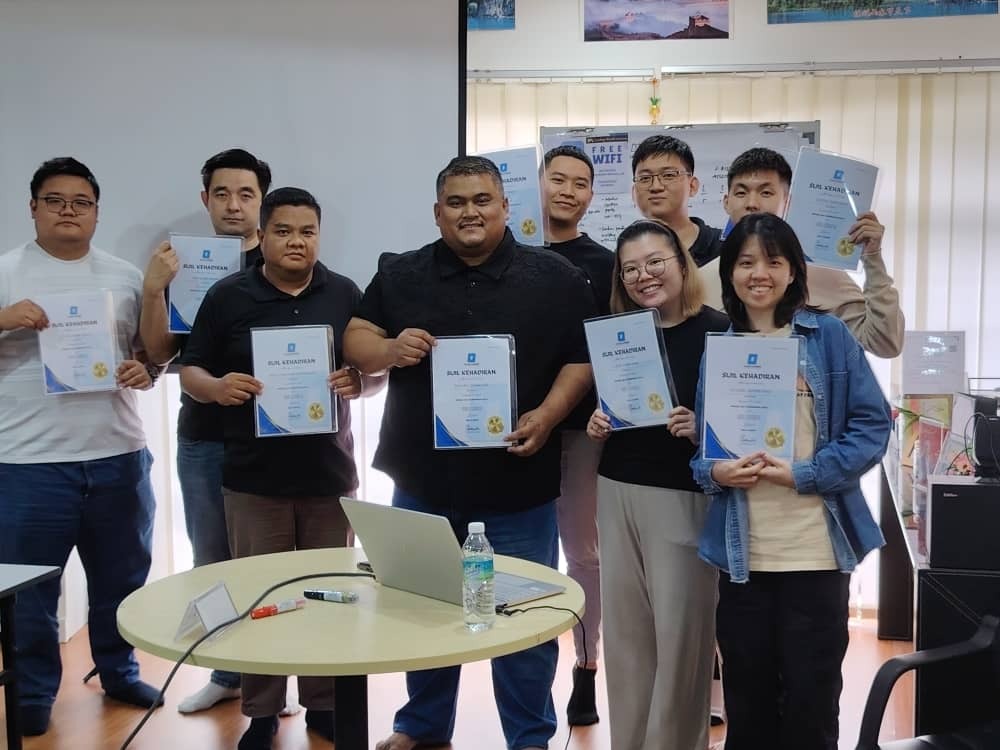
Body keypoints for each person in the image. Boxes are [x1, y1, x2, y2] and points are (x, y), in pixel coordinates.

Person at [343, 155, 597, 750]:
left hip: (519, 483)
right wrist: (389, 349)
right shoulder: (400, 273)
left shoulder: (555, 276)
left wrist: (548, 414)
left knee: (525, 619)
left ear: (506, 206)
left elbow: (582, 359)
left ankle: (529, 737)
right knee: (423, 607)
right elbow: (356, 337)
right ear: (438, 213)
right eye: (456, 202)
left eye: (482, 200)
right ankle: (422, 725)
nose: (470, 212)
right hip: (422, 483)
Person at [180, 187, 381, 750]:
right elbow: (191, 370)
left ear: (319, 236)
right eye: (285, 231)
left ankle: (324, 705)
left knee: (328, 595)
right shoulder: (227, 295)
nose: (297, 241)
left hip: (328, 476)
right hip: (253, 478)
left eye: (307, 231)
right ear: (263, 235)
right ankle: (262, 712)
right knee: (259, 598)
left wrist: (361, 382)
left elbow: (374, 372)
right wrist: (217, 387)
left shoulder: (344, 293)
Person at [690, 213, 892, 750]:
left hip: (816, 554)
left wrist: (806, 473)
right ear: (729, 273)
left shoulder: (827, 336)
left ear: (793, 271)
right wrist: (716, 471)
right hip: (742, 558)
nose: (759, 273)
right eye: (746, 262)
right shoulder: (721, 349)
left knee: (812, 703)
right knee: (747, 705)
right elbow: (703, 457)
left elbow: (873, 425)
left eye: (773, 262)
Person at [0, 157, 160, 736]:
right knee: (31, 595)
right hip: (29, 463)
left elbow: (148, 354)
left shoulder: (124, 276)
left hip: (118, 455)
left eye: (81, 202)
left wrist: (147, 371)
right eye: (55, 200)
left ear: (96, 211)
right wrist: (3, 317)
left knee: (121, 582)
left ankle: (119, 672)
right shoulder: (6, 272)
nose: (68, 211)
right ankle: (32, 695)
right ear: (33, 208)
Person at [584, 220, 729, 749]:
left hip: (684, 494)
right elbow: (610, 403)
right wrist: (597, 421)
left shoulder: (720, 331)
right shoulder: (616, 334)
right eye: (630, 269)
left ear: (681, 265)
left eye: (654, 262)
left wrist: (702, 427)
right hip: (616, 486)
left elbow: (742, 427)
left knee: (681, 635)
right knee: (626, 637)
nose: (643, 276)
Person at [139, 148, 274, 714]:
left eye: (246, 194)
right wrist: (154, 290)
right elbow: (158, 353)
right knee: (212, 559)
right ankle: (227, 673)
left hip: (273, 440)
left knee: (269, 565)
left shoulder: (282, 258)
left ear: (262, 201)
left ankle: (274, 679)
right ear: (205, 200)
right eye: (222, 194)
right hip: (203, 436)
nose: (234, 205)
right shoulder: (184, 265)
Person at [700, 147, 904, 358]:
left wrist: (873, 259)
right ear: (726, 203)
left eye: (766, 192)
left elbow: (885, 343)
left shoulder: (821, 273)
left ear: (788, 202)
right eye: (741, 193)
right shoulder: (702, 280)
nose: (752, 204)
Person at [540, 144, 614, 726]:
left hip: (581, 431)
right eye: (557, 179)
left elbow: (620, 344)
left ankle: (585, 668)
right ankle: (528, 676)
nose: (567, 191)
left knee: (583, 554)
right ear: (536, 183)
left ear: (591, 195)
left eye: (580, 183)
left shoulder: (605, 263)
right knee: (525, 555)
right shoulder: (505, 252)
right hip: (511, 430)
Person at [631, 134, 722, 267]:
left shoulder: (724, 248)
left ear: (692, 186)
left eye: (668, 175)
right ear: (634, 192)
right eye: (645, 178)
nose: (656, 187)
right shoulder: (626, 255)